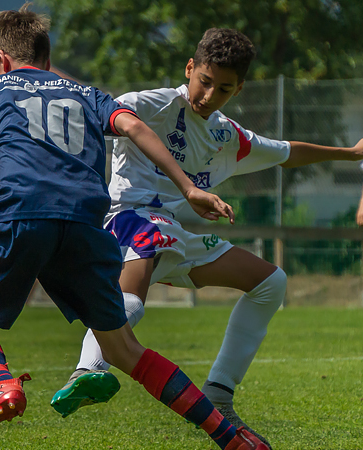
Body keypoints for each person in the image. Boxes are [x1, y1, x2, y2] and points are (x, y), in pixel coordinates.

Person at [0, 6, 266, 449]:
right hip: (86, 222)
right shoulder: (85, 93)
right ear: (46, 61)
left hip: (20, 212)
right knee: (125, 350)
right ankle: (232, 438)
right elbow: (133, 127)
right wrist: (188, 188)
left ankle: (0, 384)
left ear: (1, 59)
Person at [51, 28, 363, 449]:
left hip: (173, 234)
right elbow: (90, 120)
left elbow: (289, 153)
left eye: (224, 88)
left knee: (271, 282)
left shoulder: (225, 136)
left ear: (239, 89)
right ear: (190, 69)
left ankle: (220, 393)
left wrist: (352, 155)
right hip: (127, 219)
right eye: (206, 81)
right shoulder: (152, 104)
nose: (210, 95)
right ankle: (86, 372)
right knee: (133, 297)